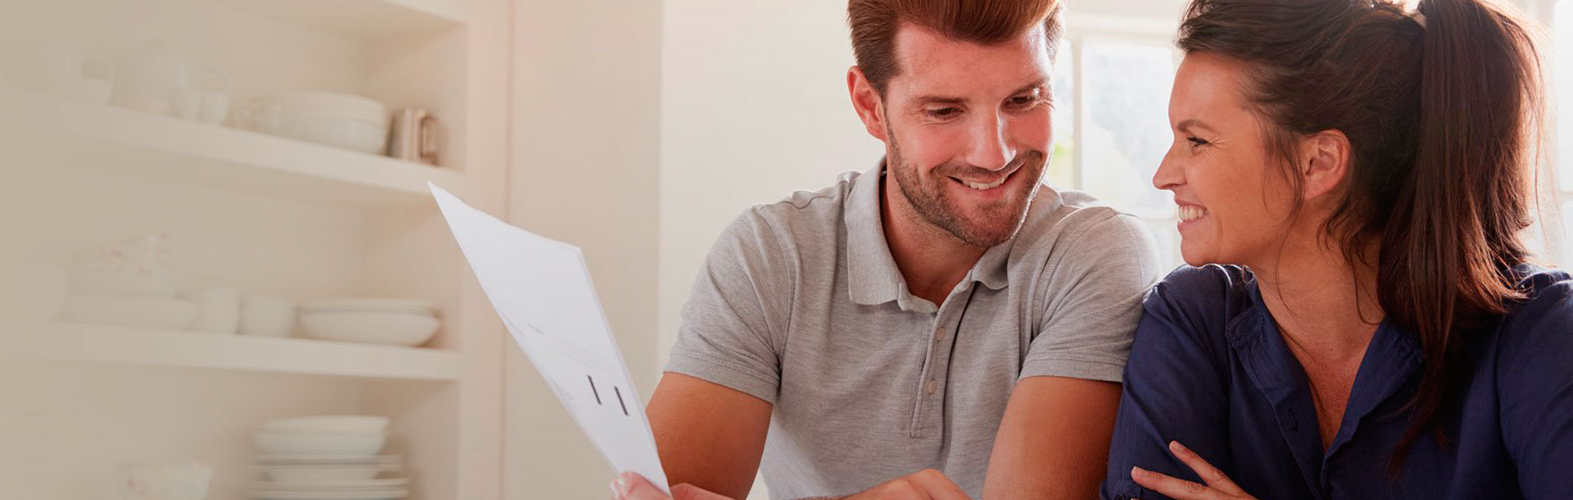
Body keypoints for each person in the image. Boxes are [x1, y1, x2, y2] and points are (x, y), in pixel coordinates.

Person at [612, 1, 1162, 499]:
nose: (994, 154)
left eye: (1024, 99)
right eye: (945, 111)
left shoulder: (1093, 252)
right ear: (870, 105)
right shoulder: (772, 255)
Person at [1101, 0, 1573, 498]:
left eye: (1197, 141)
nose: (1163, 176)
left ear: (1318, 163)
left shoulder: (1538, 336)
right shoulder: (1191, 323)